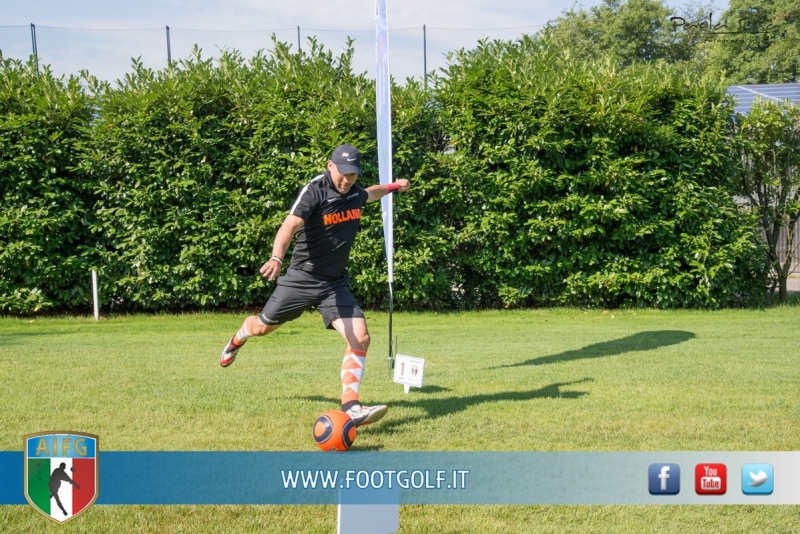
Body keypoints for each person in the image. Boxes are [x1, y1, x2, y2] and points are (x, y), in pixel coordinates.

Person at [220, 144, 410, 427]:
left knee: (360, 337)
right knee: (262, 327)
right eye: (342, 173)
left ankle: (351, 407)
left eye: (352, 174)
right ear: (330, 165)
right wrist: (276, 257)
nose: (346, 180)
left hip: (334, 284)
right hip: (302, 278)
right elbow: (289, 225)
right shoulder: (315, 190)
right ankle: (238, 339)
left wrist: (395, 186)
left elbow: (371, 193)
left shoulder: (354, 192)